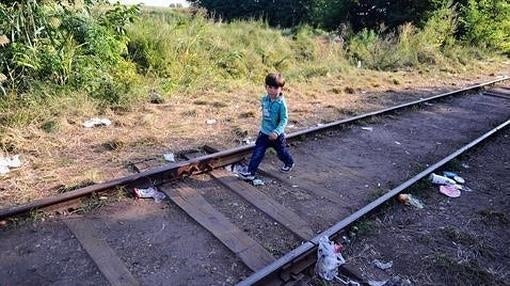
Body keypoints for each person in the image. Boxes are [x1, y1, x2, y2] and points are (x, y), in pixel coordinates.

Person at [239, 73, 295, 180]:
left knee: (281, 153)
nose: (272, 90)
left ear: (281, 88)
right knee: (257, 152)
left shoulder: (281, 103)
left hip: (277, 136)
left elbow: (284, 119)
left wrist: (277, 132)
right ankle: (250, 173)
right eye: (270, 87)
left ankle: (289, 162)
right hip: (264, 133)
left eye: (276, 87)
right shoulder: (264, 100)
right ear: (266, 87)